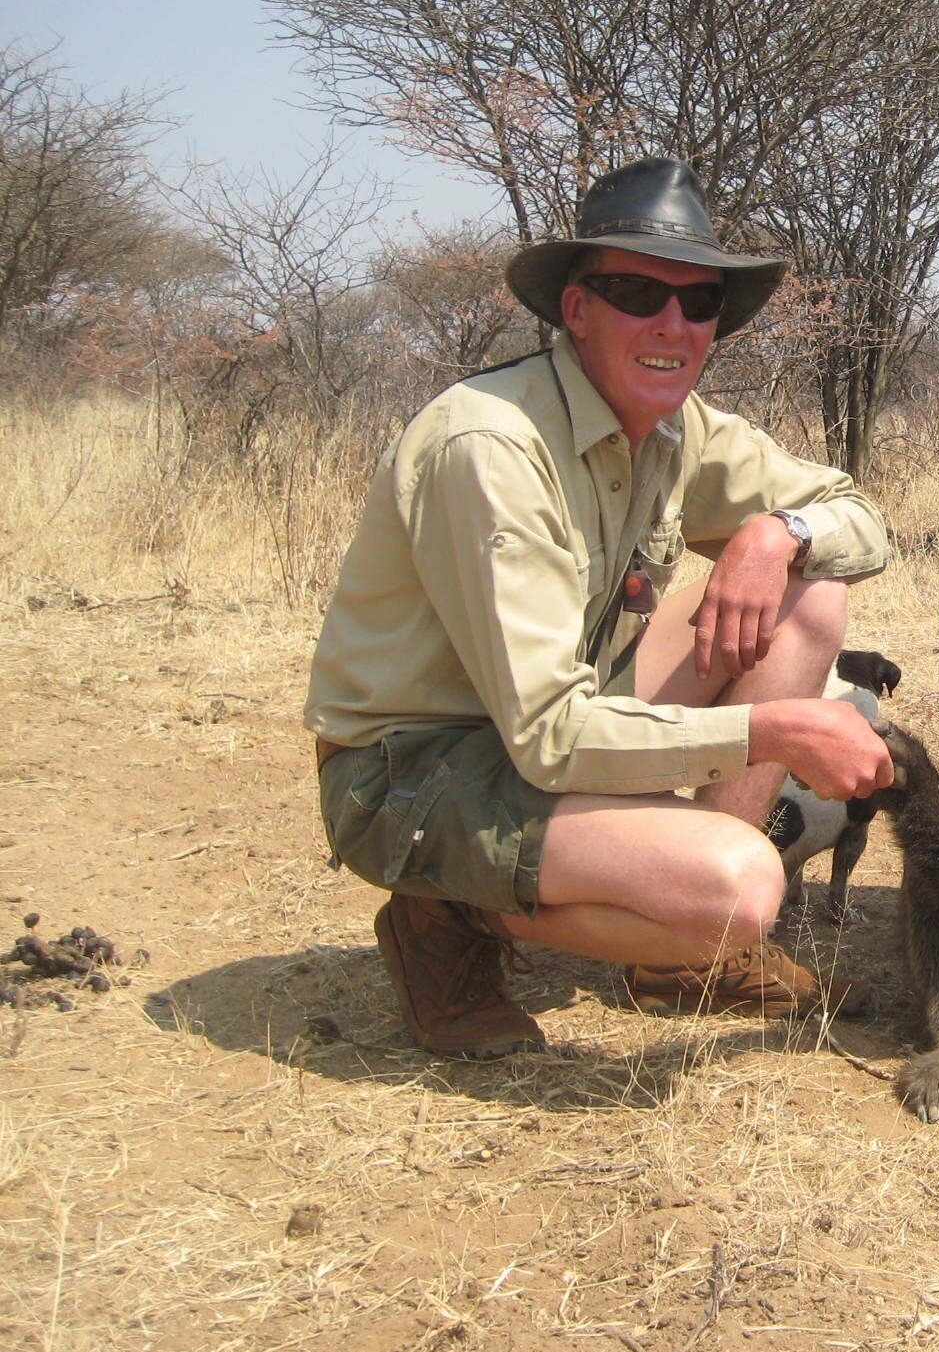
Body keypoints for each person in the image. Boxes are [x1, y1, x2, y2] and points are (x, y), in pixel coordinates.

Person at [305, 156, 895, 1059]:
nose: (672, 324)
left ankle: (686, 959)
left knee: (806, 599)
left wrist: (774, 533)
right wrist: (773, 731)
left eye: (699, 304)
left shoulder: (678, 423)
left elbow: (859, 516)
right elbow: (551, 735)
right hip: (412, 768)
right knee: (739, 888)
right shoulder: (490, 446)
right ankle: (448, 914)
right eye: (635, 291)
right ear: (575, 310)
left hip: (550, 725)